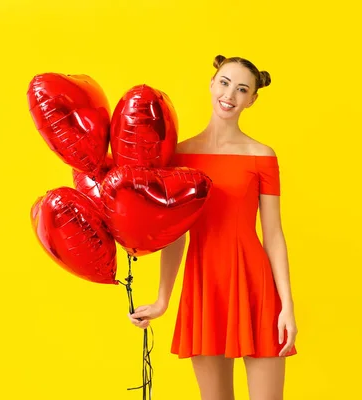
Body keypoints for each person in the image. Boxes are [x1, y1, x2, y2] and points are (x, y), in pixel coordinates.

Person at [128, 54, 298, 400]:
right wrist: (163, 299)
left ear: (252, 99)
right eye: (224, 83)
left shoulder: (262, 155)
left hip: (255, 284)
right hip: (203, 283)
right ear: (211, 84)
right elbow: (175, 234)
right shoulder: (178, 158)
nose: (230, 95)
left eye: (241, 89)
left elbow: (274, 234)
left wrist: (287, 305)